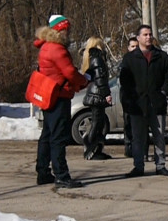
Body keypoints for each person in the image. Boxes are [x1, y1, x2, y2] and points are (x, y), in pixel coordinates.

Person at [33, 14, 90, 188]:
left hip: (48, 95)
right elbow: (70, 72)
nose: (69, 32)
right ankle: (61, 175)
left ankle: (43, 172)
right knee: (58, 137)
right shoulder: (57, 49)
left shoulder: (45, 47)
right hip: (58, 96)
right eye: (67, 29)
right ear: (61, 30)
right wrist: (85, 80)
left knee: (47, 135)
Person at [119, 25, 168, 178]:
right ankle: (138, 166)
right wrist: (131, 99)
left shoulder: (161, 56)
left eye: (150, 34)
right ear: (138, 38)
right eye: (145, 34)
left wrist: (163, 93)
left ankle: (161, 165)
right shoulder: (129, 58)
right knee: (138, 137)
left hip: (157, 103)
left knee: (159, 135)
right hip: (137, 105)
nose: (148, 37)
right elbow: (125, 80)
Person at [81, 37, 113, 160]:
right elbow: (101, 79)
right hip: (98, 93)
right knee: (98, 122)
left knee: (98, 121)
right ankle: (91, 148)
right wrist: (106, 94)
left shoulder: (89, 58)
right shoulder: (97, 59)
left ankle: (94, 147)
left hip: (94, 92)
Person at [122, 36, 139, 158]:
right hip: (128, 96)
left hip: (140, 96)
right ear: (128, 48)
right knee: (128, 122)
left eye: (136, 46)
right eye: (132, 46)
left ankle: (141, 150)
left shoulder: (143, 59)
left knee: (140, 125)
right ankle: (129, 149)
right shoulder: (126, 60)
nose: (134, 49)